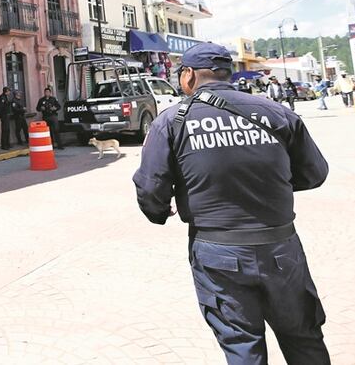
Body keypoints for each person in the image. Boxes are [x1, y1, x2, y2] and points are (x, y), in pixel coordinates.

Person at [132, 42, 330, 364]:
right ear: (230, 74)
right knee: (304, 338)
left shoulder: (172, 121)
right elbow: (315, 173)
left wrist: (159, 212)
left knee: (242, 346)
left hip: (217, 252)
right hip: (281, 247)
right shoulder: (275, 112)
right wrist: (269, 188)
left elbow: (150, 187)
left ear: (189, 76)